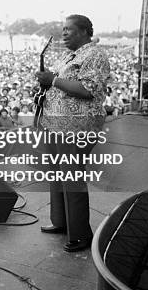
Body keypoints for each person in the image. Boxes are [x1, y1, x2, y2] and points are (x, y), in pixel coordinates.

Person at [35, 14, 110, 252]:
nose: (64, 33)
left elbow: (88, 89)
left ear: (85, 31)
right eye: (63, 29)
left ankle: (80, 234)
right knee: (57, 174)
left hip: (78, 127)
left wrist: (54, 80)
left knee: (71, 176)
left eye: (69, 29)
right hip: (57, 124)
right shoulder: (71, 55)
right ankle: (60, 221)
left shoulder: (94, 55)